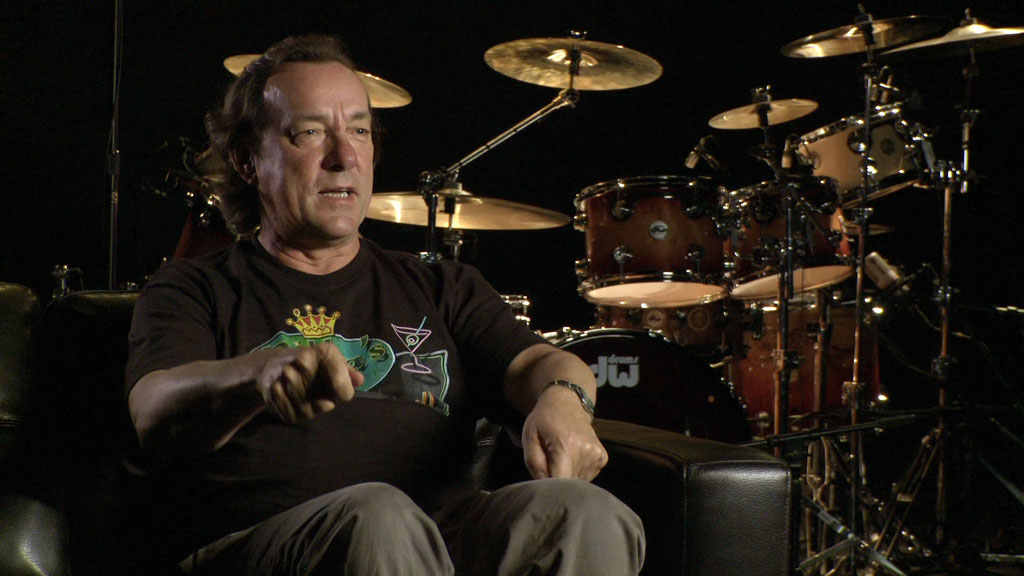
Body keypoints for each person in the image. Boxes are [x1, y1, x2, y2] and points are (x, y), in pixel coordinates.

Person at [125, 33, 645, 575]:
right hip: (261, 548)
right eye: (309, 132)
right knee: (377, 517)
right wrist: (256, 375)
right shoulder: (194, 287)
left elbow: (542, 361)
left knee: (586, 512)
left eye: (359, 131)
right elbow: (153, 408)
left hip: (436, 541)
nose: (344, 157)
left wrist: (564, 399)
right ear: (247, 160)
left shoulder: (440, 286)